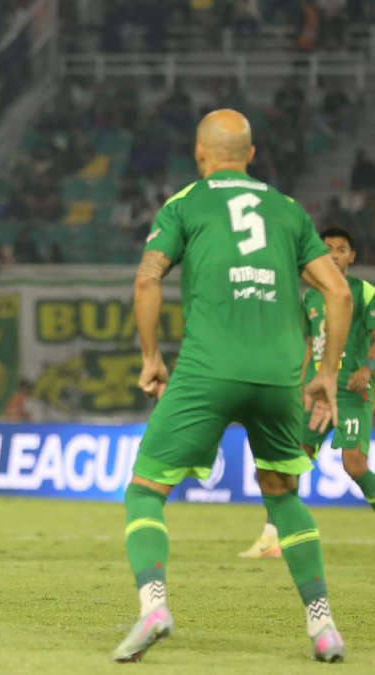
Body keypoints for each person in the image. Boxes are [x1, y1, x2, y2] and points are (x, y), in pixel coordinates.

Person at [113, 110, 351, 663]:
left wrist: (152, 358)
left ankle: (154, 608)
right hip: (278, 375)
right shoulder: (289, 211)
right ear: (251, 153)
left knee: (146, 489)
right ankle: (324, 628)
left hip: (206, 370)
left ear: (200, 154)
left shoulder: (185, 204)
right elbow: (338, 295)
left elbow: (148, 278)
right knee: (283, 495)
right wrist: (327, 374)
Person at [241, 227, 375, 558]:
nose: (333, 254)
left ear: (351, 256)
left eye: (341, 249)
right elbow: (306, 345)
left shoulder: (364, 292)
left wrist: (366, 368)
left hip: (349, 394)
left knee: (355, 465)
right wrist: (300, 387)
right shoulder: (311, 297)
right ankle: (273, 538)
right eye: (327, 248)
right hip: (316, 394)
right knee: (289, 461)